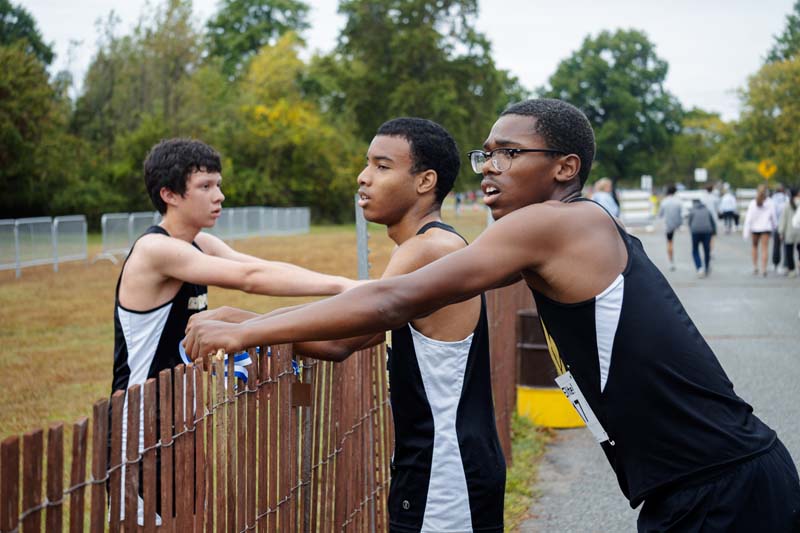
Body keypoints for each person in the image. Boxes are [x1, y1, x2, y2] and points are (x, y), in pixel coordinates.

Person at [185, 99, 800, 532]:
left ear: (565, 168)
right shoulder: (556, 228)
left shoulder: (559, 222)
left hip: (719, 485)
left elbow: (394, 299)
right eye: (487, 154)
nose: (488, 168)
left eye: (509, 153)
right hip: (699, 485)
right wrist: (262, 332)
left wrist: (246, 331)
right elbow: (366, 325)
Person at [190, 119, 506, 532]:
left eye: (381, 166)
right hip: (437, 463)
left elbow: (352, 330)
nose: (363, 177)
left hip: (448, 469)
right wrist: (245, 320)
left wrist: (243, 329)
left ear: (425, 181)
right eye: (366, 164)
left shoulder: (431, 249)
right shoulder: (422, 249)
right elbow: (348, 336)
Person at [112, 138, 360, 522]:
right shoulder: (156, 250)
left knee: (190, 519)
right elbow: (249, 277)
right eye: (206, 186)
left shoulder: (200, 243)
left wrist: (343, 285)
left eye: (219, 184)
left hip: (182, 415)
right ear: (169, 194)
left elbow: (259, 265)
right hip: (143, 422)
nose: (220, 196)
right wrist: (345, 287)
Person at [742, 183, 777, 277]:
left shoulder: (753, 203)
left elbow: (748, 218)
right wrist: (775, 228)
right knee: (765, 249)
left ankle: (755, 267)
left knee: (754, 247)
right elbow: (773, 217)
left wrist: (746, 231)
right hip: (766, 228)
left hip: (755, 228)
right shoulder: (770, 202)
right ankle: (764, 269)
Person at [687, 198, 716, 277]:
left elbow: (689, 222)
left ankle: (699, 268)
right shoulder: (707, 210)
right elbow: (712, 222)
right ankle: (706, 267)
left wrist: (691, 230)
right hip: (707, 231)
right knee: (707, 250)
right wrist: (714, 232)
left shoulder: (692, 210)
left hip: (695, 232)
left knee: (695, 250)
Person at [657, 185, 682, 271]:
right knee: (671, 242)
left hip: (668, 225)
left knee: (669, 242)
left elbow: (660, 214)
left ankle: (671, 261)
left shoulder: (664, 202)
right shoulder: (678, 201)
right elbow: (682, 213)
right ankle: (671, 260)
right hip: (677, 224)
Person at [778, 187, 800, 277]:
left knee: (789, 252)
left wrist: (781, 232)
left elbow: (783, 219)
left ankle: (792, 270)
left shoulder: (787, 205)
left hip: (789, 232)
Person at [771, 184, 789, 273]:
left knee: (776, 246)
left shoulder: (773, 199)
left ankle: (776, 263)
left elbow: (772, 213)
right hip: (786, 226)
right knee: (786, 246)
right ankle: (786, 264)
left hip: (776, 225)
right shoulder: (787, 199)